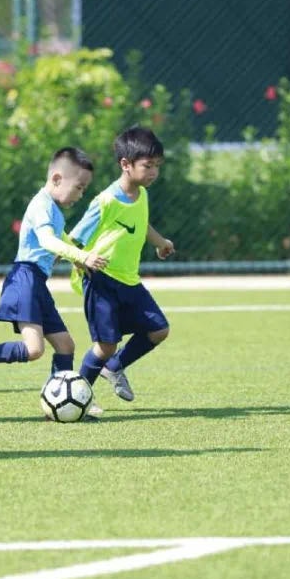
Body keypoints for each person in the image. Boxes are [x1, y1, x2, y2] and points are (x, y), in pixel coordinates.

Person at [0, 147, 107, 407]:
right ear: (57, 179)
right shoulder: (41, 205)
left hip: (37, 283)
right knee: (34, 349)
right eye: (79, 188)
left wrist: (78, 259)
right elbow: (47, 240)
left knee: (65, 345)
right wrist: (81, 256)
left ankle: (60, 402)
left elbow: (62, 239)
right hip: (25, 280)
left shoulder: (53, 210)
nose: (81, 195)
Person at [68, 126, 175, 405]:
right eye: (148, 166)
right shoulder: (105, 201)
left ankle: (114, 367)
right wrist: (78, 259)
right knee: (105, 345)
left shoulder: (142, 194)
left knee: (158, 330)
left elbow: (140, 223)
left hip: (129, 281)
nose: (154, 172)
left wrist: (160, 242)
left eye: (157, 166)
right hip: (101, 280)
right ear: (126, 164)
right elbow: (74, 239)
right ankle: (78, 397)